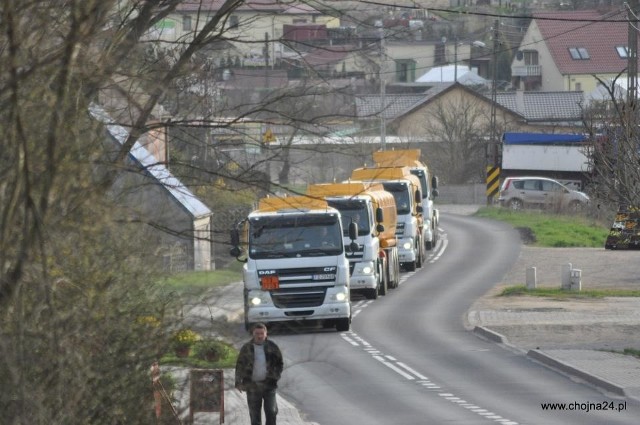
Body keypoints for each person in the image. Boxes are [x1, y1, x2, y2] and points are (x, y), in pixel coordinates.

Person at [235, 322, 284, 425]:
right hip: (252, 386)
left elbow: (279, 363)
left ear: (266, 334)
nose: (259, 336)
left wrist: (275, 376)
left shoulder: (272, 347)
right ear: (253, 334)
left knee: (271, 411)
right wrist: (238, 381)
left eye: (262, 333)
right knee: (255, 415)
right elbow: (240, 365)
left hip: (269, 386)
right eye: (257, 333)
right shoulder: (247, 348)